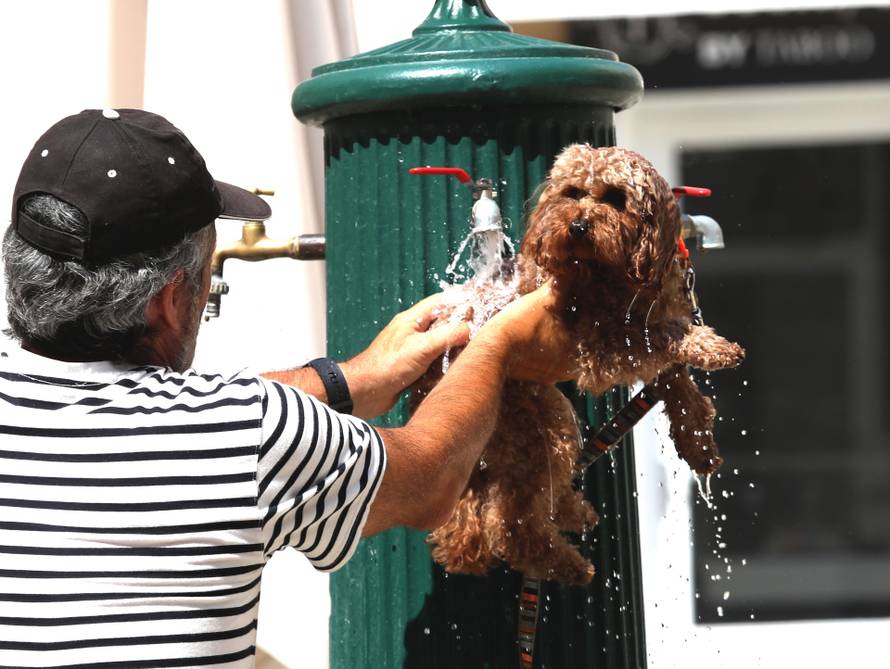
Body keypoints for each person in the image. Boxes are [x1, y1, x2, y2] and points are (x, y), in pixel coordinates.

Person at [0, 109, 576, 666]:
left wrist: (353, 379)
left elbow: (157, 418)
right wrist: (498, 343)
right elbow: (432, 475)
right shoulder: (250, 430)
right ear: (169, 300)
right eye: (204, 282)